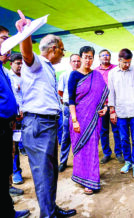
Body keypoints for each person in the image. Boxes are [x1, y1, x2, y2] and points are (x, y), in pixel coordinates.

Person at [15, 11, 76, 218]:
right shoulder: (36, 63)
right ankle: (47, 215)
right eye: (62, 50)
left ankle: (51, 209)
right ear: (53, 49)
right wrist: (26, 32)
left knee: (50, 174)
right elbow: (26, 54)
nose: (63, 54)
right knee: (42, 175)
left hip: (48, 125)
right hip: (39, 124)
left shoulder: (49, 68)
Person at [68, 46, 108, 195]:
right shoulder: (74, 76)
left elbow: (103, 95)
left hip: (94, 119)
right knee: (80, 149)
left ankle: (91, 180)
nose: (88, 60)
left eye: (91, 57)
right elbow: (71, 99)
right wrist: (74, 120)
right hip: (79, 118)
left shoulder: (97, 75)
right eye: (85, 57)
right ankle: (82, 177)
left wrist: (104, 108)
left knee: (92, 149)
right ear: (81, 58)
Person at [0, 25, 30, 218]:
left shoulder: (2, 69)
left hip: (7, 125)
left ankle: (7, 212)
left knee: (3, 173)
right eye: (3, 39)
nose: (8, 43)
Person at [108, 48, 134, 178]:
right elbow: (111, 93)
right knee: (124, 139)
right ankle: (127, 162)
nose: (127, 65)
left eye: (129, 62)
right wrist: (112, 111)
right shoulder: (112, 73)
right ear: (119, 60)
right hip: (120, 112)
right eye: (125, 62)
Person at [94, 49, 124, 164]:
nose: (105, 57)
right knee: (103, 131)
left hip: (115, 105)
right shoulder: (95, 71)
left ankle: (119, 153)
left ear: (110, 57)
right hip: (101, 106)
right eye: (103, 55)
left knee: (117, 130)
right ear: (99, 58)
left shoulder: (117, 69)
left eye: (107, 55)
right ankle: (107, 153)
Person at [57, 54, 81, 172]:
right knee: (66, 135)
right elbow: (60, 92)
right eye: (74, 61)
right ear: (70, 62)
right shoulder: (65, 75)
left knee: (80, 134)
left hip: (81, 109)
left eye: (78, 61)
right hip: (67, 108)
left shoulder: (84, 75)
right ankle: (63, 161)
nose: (76, 63)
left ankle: (80, 161)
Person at [9, 53, 26, 185]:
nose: (20, 66)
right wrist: (17, 112)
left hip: (29, 115)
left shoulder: (26, 76)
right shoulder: (8, 77)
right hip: (16, 117)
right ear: (11, 64)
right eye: (17, 63)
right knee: (13, 146)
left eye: (22, 63)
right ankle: (16, 172)